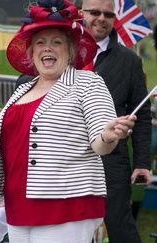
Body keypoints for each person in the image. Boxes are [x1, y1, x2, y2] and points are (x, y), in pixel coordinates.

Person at [0, 0, 136, 242]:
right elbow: (9, 150)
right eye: (40, 43)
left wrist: (108, 135)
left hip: (67, 207)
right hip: (18, 206)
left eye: (56, 42)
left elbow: (100, 144)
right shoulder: (21, 91)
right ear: (31, 52)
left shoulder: (88, 83)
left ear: (71, 50)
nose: (47, 48)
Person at [80, 0, 153, 242]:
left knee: (120, 226)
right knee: (68, 229)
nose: (101, 18)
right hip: (67, 158)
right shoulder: (62, 49)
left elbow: (141, 114)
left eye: (108, 14)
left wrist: (142, 162)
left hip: (112, 159)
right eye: (95, 12)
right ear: (82, 13)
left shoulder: (129, 61)